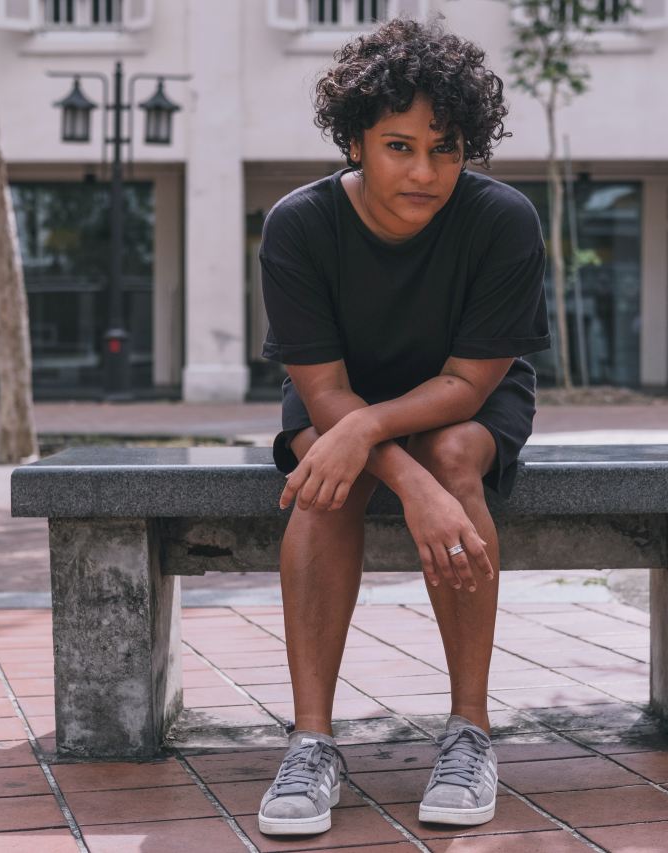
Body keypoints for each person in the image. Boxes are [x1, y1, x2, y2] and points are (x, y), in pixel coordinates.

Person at [255, 15, 551, 837]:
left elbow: (467, 381)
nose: (425, 171)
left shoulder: (503, 220)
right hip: (335, 394)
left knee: (452, 451)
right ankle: (311, 740)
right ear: (355, 140)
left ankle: (468, 730)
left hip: (463, 396)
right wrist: (399, 475)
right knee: (323, 478)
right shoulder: (299, 225)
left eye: (447, 148)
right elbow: (323, 395)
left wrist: (398, 451)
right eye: (399, 146)